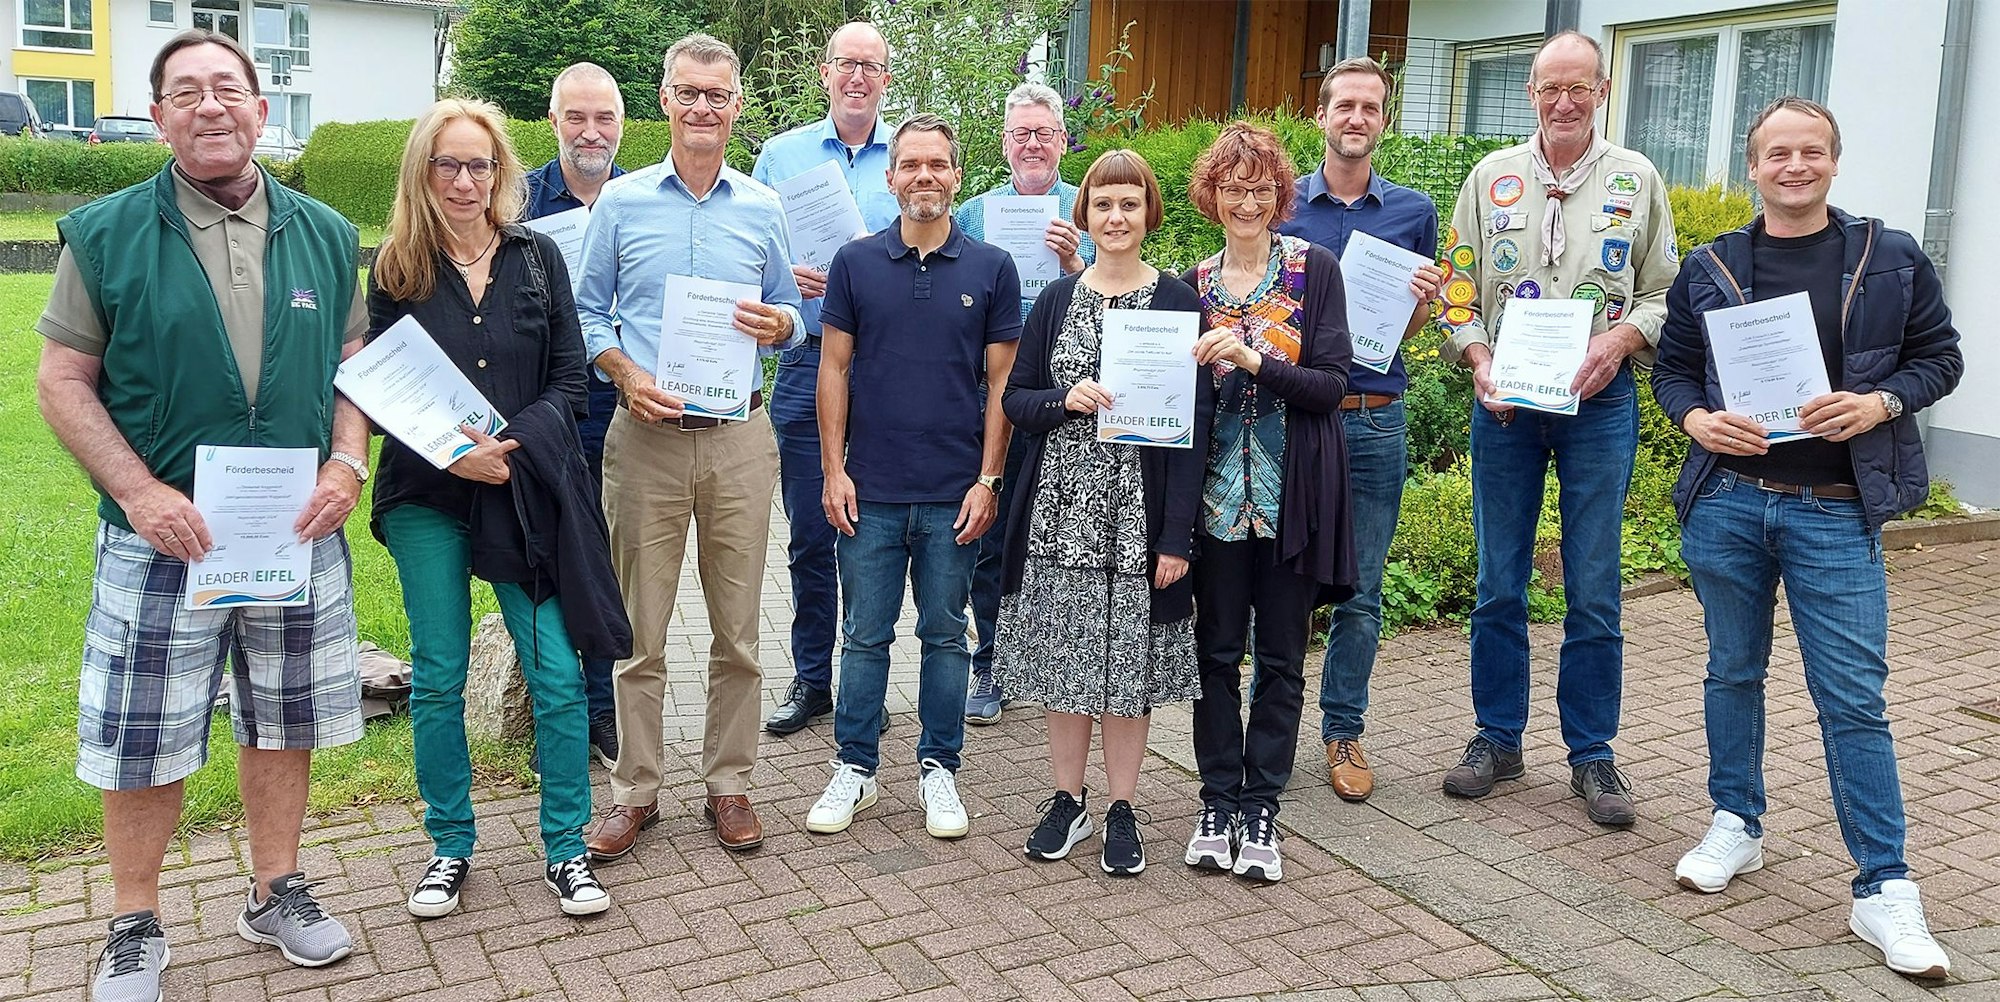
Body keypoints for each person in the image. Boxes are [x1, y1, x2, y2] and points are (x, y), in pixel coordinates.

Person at [36, 30, 366, 999]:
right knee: (146, 728)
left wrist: (348, 462)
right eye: (187, 92)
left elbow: (356, 373)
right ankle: (133, 924)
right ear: (160, 117)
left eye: (229, 88)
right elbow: (61, 382)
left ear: (263, 112)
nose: (211, 105)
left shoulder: (326, 235)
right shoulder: (104, 234)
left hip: (295, 531)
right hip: (161, 539)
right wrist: (139, 492)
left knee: (282, 716)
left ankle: (275, 892)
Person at [1652, 97, 1962, 978]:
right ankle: (1735, 823)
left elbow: (1942, 356)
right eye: (1777, 153)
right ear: (1753, 167)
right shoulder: (1713, 265)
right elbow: (1673, 371)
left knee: (1854, 701)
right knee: (1730, 671)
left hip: (1837, 509)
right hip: (1732, 504)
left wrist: (1880, 402)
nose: (1795, 165)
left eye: (1811, 152)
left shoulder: (1889, 256)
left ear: (1833, 160)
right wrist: (1698, 421)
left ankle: (1885, 889)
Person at [367, 98, 624, 920]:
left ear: (501, 170)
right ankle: (450, 845)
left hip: (523, 491)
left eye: (481, 164)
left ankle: (566, 846)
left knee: (554, 673)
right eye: (449, 164)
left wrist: (508, 446)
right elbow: (380, 391)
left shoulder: (538, 257)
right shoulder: (396, 270)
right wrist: (454, 452)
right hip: (428, 495)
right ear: (424, 171)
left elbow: (572, 379)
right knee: (438, 675)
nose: (466, 180)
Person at [1436, 30, 1677, 827]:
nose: (1565, 101)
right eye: (1550, 89)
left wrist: (1619, 341)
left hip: (1599, 403)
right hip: (1505, 405)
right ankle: (1497, 739)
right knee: (1499, 581)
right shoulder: (1490, 177)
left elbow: (1662, 293)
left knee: (1594, 584)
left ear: (1601, 91)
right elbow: (1458, 288)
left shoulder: (1637, 179)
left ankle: (1592, 755)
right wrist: (1475, 358)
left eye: (1580, 88)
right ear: (1532, 94)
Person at [577, 33, 803, 858]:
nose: (703, 107)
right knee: (640, 628)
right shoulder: (624, 202)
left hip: (741, 436)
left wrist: (783, 323)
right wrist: (624, 372)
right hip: (645, 437)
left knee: (739, 630)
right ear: (665, 100)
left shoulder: (763, 207)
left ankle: (729, 782)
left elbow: (791, 311)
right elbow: (585, 311)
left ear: (736, 106)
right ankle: (635, 790)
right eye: (688, 93)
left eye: (718, 94)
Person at [805, 114, 1021, 841]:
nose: (924, 176)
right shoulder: (855, 262)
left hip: (954, 491)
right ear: (891, 176)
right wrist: (833, 470)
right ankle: (856, 768)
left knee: (943, 635)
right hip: (869, 489)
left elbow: (1001, 386)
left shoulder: (992, 267)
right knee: (864, 636)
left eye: (938, 164)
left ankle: (939, 769)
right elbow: (832, 368)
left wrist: (989, 478)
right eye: (910, 165)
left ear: (957, 176)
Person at [994, 149, 1209, 876]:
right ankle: (1067, 799)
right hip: (1061, 516)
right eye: (1103, 205)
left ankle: (1122, 807)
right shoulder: (1056, 300)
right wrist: (1066, 400)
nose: (1116, 217)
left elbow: (1193, 431)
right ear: (1082, 215)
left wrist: (1175, 536)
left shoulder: (1179, 302)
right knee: (1067, 664)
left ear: (1149, 214)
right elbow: (1016, 400)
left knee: (1128, 669)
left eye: (1130, 204)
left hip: (1139, 519)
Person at [1179, 122, 1354, 883]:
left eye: (1259, 188)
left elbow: (1333, 385)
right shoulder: (1192, 284)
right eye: (1232, 187)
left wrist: (1254, 359)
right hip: (1216, 506)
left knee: (1280, 661)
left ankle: (1262, 810)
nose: (1246, 201)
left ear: (1280, 194)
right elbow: (1176, 403)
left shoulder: (1315, 272)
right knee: (1214, 656)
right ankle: (1217, 799)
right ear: (1211, 195)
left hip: (1292, 503)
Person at [1274, 57, 1443, 802]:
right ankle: (1270, 726)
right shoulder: (1284, 209)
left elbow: (1402, 331)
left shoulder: (1414, 213)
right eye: (1345, 105)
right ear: (1321, 116)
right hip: (1295, 419)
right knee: (1280, 580)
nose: (1356, 118)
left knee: (1363, 591)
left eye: (1371, 108)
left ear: (1384, 119)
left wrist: (1424, 305)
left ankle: (1344, 731)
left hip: (1374, 419)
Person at [753, 20, 903, 737]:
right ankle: (813, 678)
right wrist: (788, 274)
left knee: (876, 535)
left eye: (871, 67)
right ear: (825, 72)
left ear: (886, 80)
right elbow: (749, 254)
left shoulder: (907, 158)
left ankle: (864, 676)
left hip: (890, 367)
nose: (857, 77)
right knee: (812, 533)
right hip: (809, 357)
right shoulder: (778, 157)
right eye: (847, 64)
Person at [957, 81, 1096, 726]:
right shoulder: (976, 216)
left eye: (1045, 133)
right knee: (993, 532)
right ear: (1006, 144)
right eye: (1022, 134)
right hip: (994, 395)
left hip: (1074, 400)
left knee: (1066, 537)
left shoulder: (1089, 208)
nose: (1033, 143)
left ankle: (1058, 661)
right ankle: (988, 661)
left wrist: (1072, 266)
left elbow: (1118, 299)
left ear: (1062, 142)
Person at [523, 61, 630, 769]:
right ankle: (555, 712)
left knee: (609, 566)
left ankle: (603, 709)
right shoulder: (518, 202)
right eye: (576, 117)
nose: (591, 132)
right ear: (555, 120)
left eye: (605, 119)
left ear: (623, 124)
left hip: (624, 412)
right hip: (546, 415)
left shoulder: (643, 197)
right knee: (545, 562)